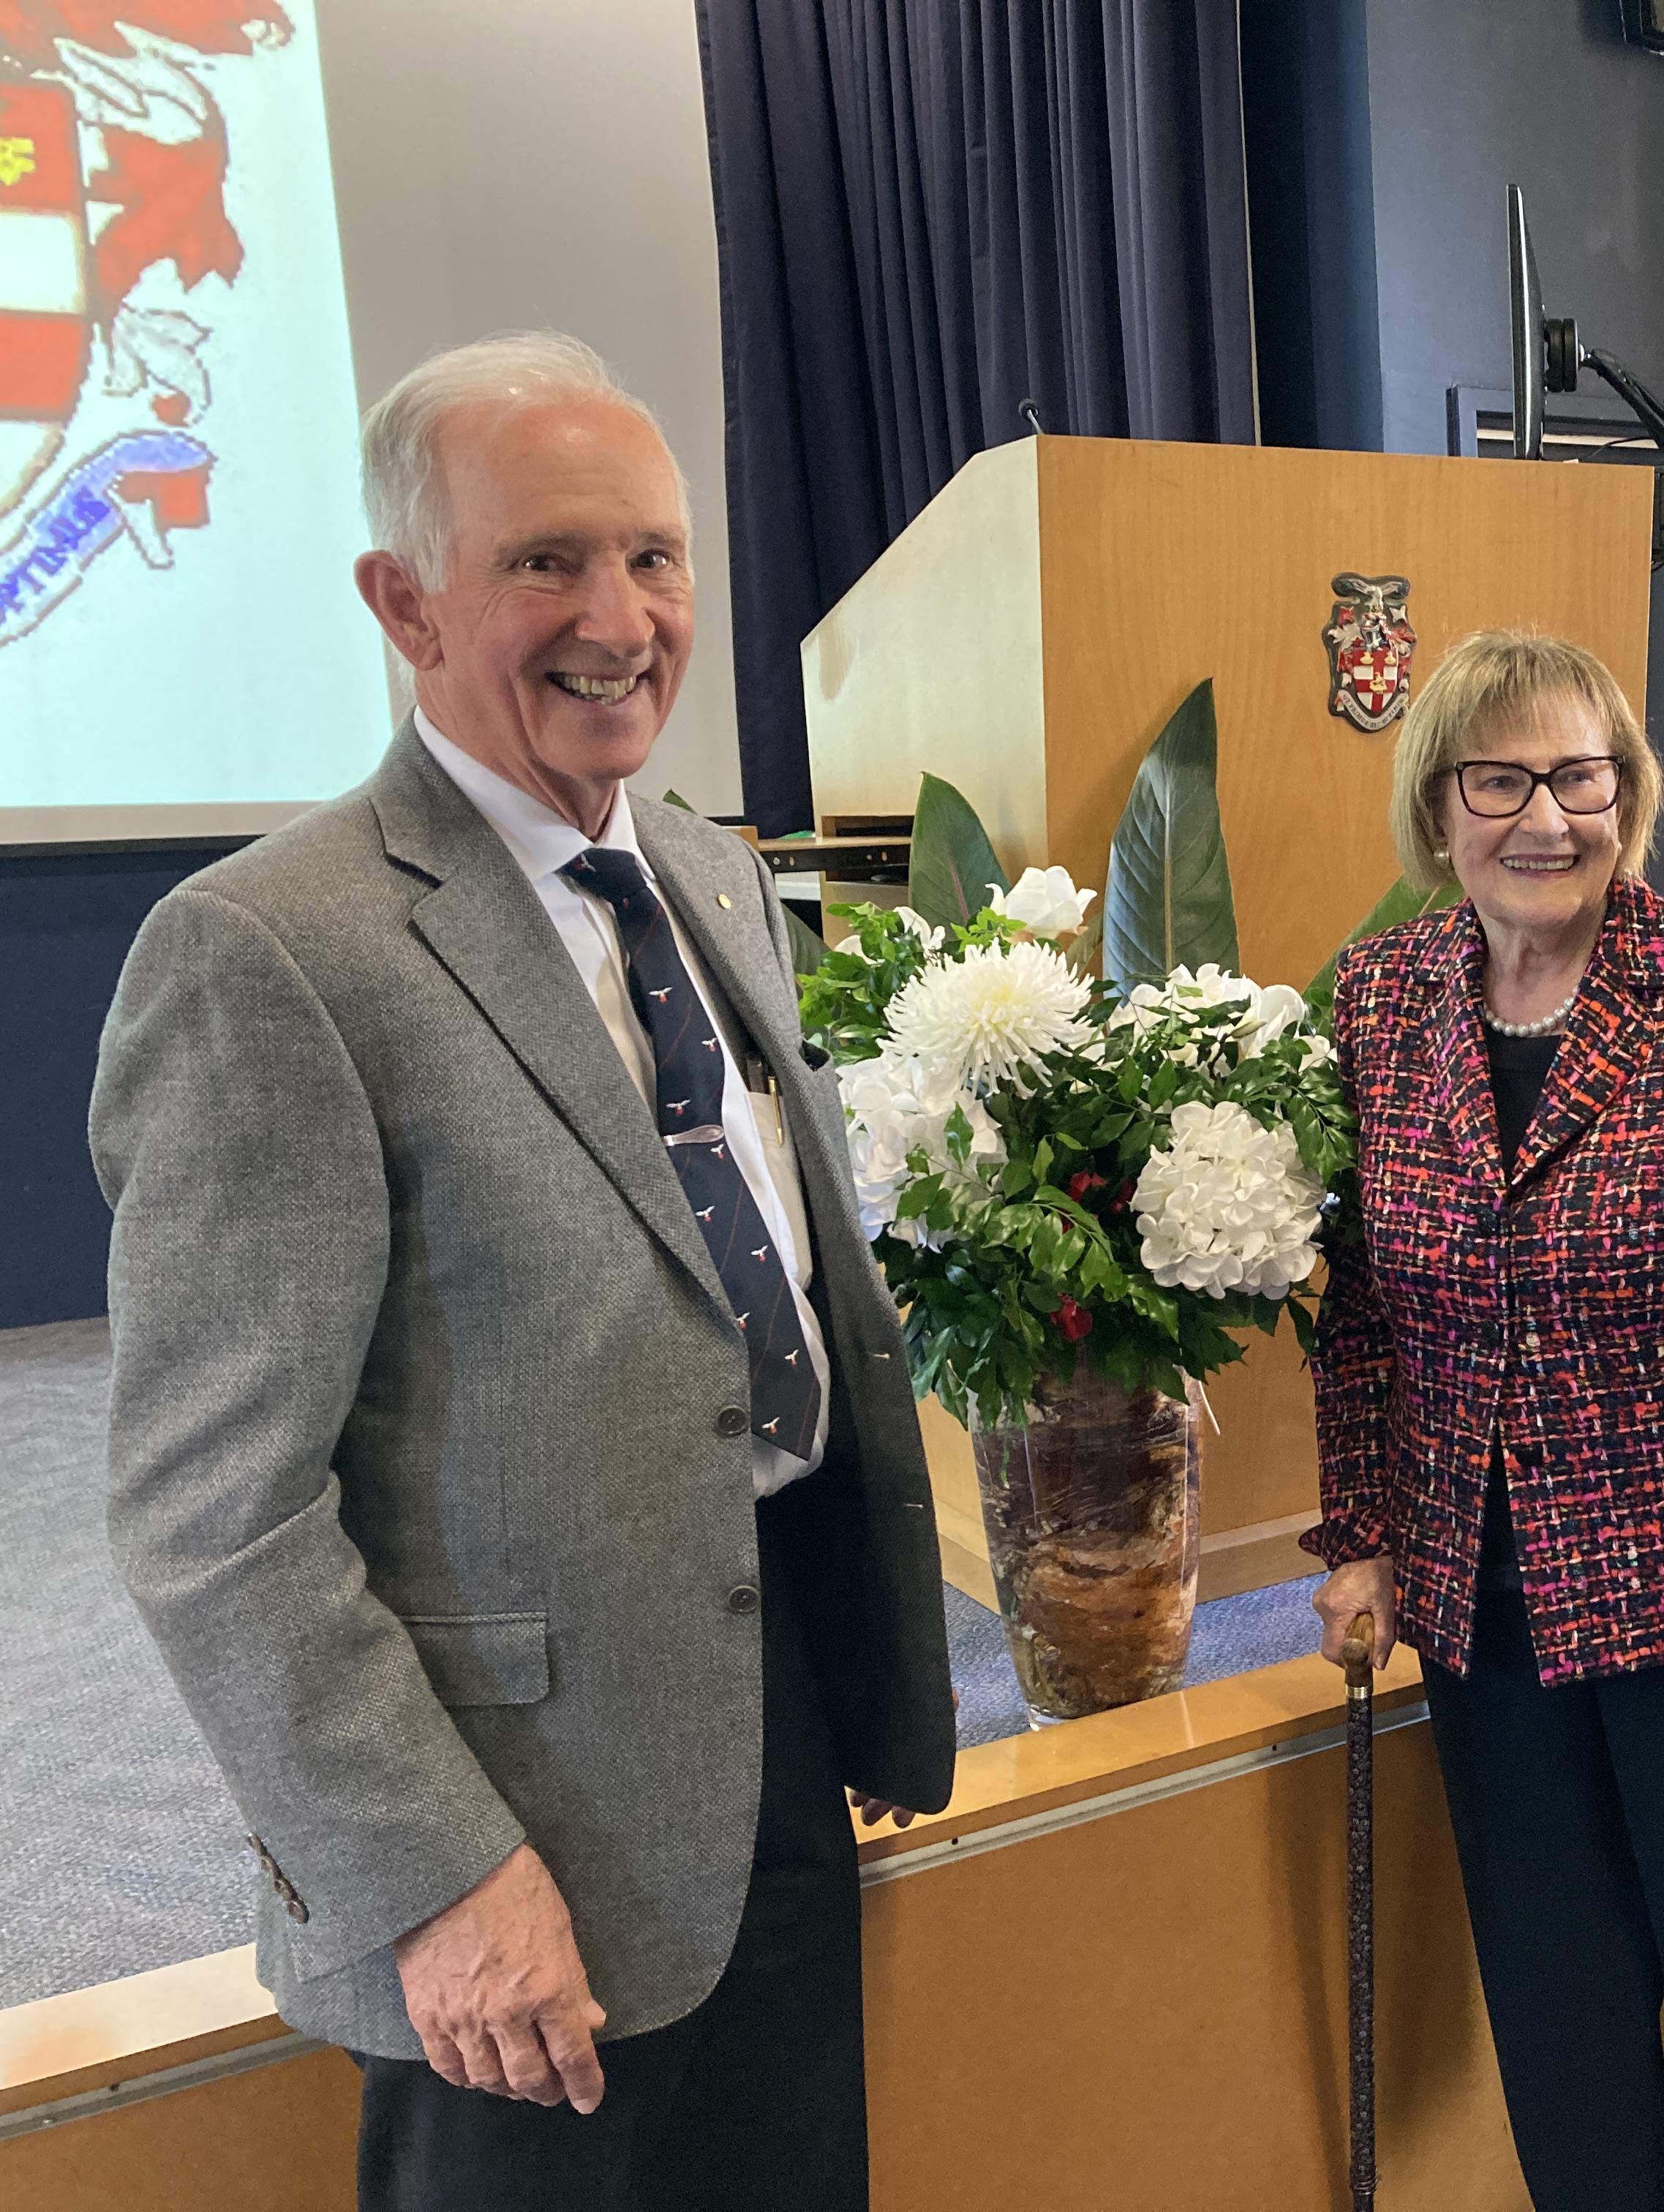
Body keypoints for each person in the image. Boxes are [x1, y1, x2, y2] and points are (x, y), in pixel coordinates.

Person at [91, 333, 956, 2211]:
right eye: (544, 562)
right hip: (508, 1836)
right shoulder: (268, 952)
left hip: (773, 1723)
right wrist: (435, 1876)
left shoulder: (714, 878)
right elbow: (214, 1515)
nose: (618, 619)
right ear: (404, 605)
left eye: (653, 557)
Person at [1306, 631, 1664, 2212]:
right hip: (1480, 1607)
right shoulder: (1379, 996)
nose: (1546, 818)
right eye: (1501, 781)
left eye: (1581, 776)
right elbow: (1361, 1308)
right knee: (1560, 2022)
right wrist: (1360, 1534)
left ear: (1631, 793)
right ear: (1440, 809)